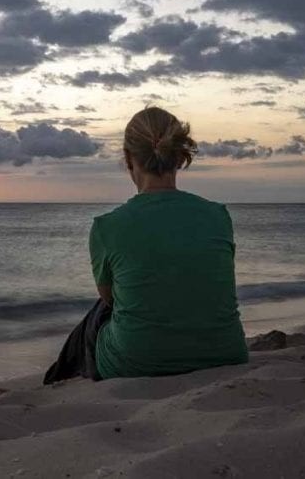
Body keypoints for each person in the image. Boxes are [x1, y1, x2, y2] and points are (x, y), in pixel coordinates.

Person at [44, 106, 248, 383]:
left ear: (128, 159)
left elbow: (110, 300)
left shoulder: (107, 227)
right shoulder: (218, 216)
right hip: (226, 354)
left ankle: (55, 379)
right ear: (179, 157)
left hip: (135, 363)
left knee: (95, 317)